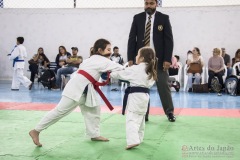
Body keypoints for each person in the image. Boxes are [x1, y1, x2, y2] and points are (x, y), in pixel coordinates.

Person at [29, 38, 124, 147]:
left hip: (86, 91)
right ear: (100, 50)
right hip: (76, 89)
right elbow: (119, 69)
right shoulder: (101, 60)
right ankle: (36, 131)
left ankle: (94, 134)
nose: (110, 52)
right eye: (108, 49)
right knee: (59, 111)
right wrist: (138, 71)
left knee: (94, 110)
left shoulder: (91, 59)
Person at [127, 0, 175, 122]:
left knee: (163, 86)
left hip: (159, 59)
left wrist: (167, 59)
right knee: (142, 86)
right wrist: (130, 58)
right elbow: (132, 38)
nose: (148, 6)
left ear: (156, 4)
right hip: (142, 59)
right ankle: (144, 114)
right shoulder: (137, 18)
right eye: (146, 3)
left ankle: (169, 112)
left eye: (151, 3)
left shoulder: (163, 18)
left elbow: (168, 40)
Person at [111, 47, 157, 150]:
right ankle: (139, 138)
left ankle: (133, 141)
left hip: (135, 96)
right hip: (145, 97)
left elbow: (120, 74)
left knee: (131, 119)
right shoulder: (151, 70)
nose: (136, 56)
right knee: (140, 119)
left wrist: (111, 73)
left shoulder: (136, 69)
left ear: (141, 58)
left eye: (137, 54)